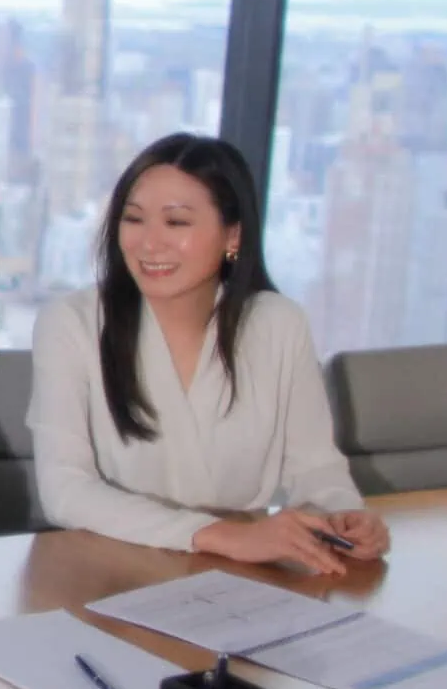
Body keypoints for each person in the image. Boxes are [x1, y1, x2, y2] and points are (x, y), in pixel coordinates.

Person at [28, 133, 391, 573]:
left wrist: (343, 516)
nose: (148, 243)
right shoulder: (72, 324)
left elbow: (316, 467)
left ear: (231, 235)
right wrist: (221, 536)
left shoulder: (278, 324)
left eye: (176, 223)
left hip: (237, 577)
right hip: (110, 571)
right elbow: (65, 490)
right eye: (134, 219)